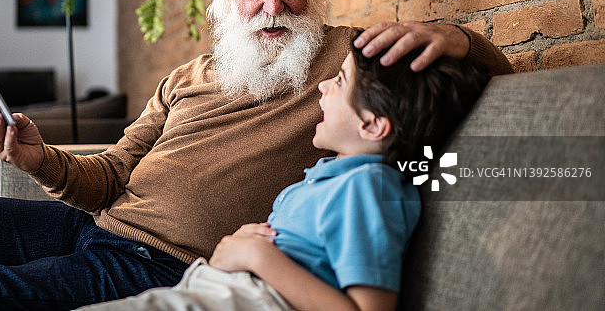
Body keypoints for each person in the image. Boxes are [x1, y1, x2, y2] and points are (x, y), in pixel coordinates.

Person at [0, 0, 512, 310]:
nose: (274, 6)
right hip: (99, 229)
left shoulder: (348, 63)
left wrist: (458, 38)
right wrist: (39, 160)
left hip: (167, 267)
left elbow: (481, 76)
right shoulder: (188, 76)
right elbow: (111, 172)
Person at [77, 31, 491, 311]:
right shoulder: (335, 174)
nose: (324, 86)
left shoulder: (368, 188)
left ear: (372, 125)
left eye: (340, 80)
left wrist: (257, 256)